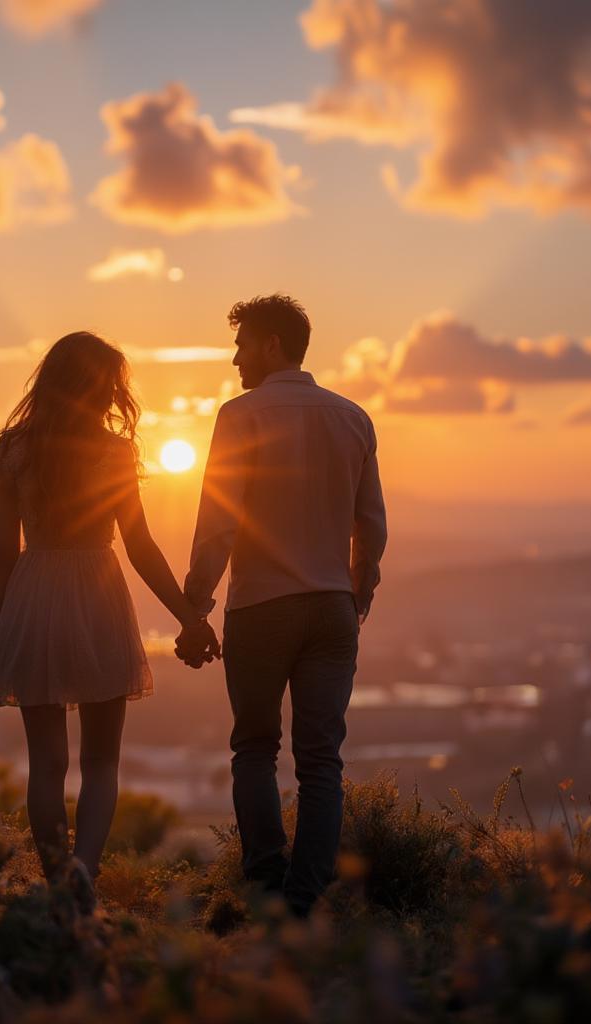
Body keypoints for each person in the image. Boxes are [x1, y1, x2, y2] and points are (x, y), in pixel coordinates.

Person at [0, 331, 219, 909]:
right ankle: (82, 876)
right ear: (99, 387)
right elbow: (139, 547)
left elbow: (3, 550)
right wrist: (190, 618)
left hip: (34, 596)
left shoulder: (13, 448)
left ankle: (58, 876)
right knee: (101, 759)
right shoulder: (112, 452)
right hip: (98, 596)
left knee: (47, 762)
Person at [177, 294, 387, 918]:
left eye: (242, 345)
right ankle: (308, 900)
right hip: (331, 607)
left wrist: (196, 605)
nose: (235, 358)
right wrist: (359, 594)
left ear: (270, 345)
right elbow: (370, 526)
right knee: (322, 759)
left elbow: (218, 521)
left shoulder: (240, 416)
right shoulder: (353, 418)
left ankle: (267, 889)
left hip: (261, 607)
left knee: (254, 749)